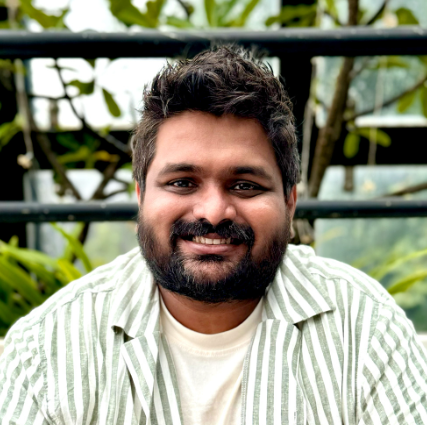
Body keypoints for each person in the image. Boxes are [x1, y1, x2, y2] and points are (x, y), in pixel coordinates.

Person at [1, 45, 427, 425]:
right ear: (140, 195)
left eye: (245, 185)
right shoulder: (49, 348)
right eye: (182, 182)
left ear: (290, 202)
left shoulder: (363, 327)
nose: (212, 212)